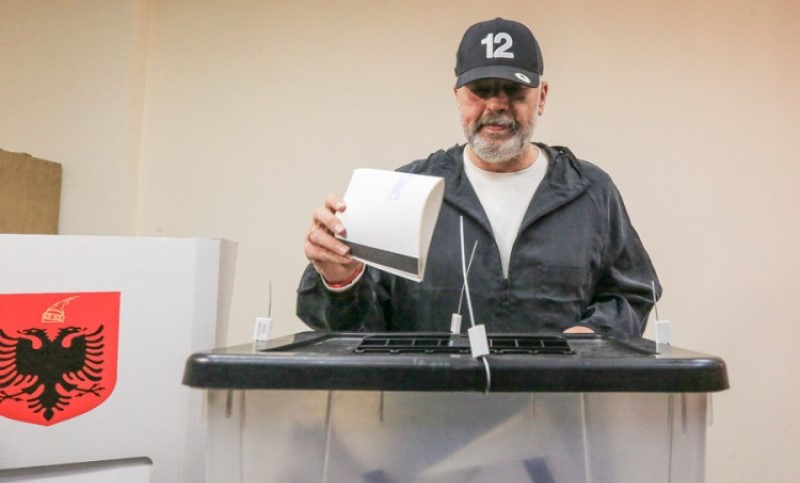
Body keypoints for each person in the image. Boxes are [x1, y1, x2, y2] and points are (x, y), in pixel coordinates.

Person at [297, 18, 660, 336]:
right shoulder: (406, 192)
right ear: (457, 96)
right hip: (434, 393)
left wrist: (593, 335)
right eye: (480, 90)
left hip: (555, 393)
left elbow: (633, 293)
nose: (496, 105)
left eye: (514, 90)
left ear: (542, 96)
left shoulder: (590, 192)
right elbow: (355, 330)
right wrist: (340, 279)